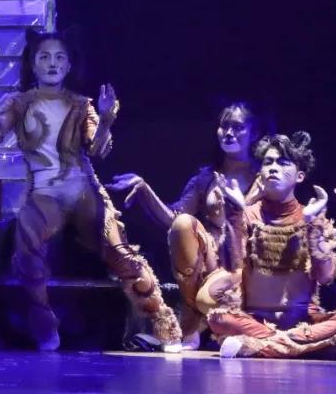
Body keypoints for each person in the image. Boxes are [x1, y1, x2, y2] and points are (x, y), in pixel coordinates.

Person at [0, 30, 181, 351]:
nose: (52, 63)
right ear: (33, 64)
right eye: (44, 57)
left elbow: (97, 149)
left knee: (119, 250)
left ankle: (160, 317)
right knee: (26, 246)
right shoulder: (19, 103)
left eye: (59, 58)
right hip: (43, 193)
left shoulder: (81, 105)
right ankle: (43, 321)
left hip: (82, 190)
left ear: (68, 66)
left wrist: (106, 120)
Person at [107, 103, 262, 348]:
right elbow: (174, 218)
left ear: (254, 134)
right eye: (224, 126)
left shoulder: (266, 176)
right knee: (183, 224)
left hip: (253, 266)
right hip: (215, 267)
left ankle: (229, 327)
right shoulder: (207, 178)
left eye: (238, 127)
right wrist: (145, 190)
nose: (229, 132)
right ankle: (191, 324)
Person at [199, 132, 336, 359]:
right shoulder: (248, 214)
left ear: (299, 176)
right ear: (260, 172)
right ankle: (320, 348)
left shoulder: (311, 215)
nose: (273, 168)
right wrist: (235, 212)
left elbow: (326, 276)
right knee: (219, 319)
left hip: (304, 321)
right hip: (256, 320)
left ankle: (259, 346)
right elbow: (233, 263)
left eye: (283, 163)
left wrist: (312, 225)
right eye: (268, 162)